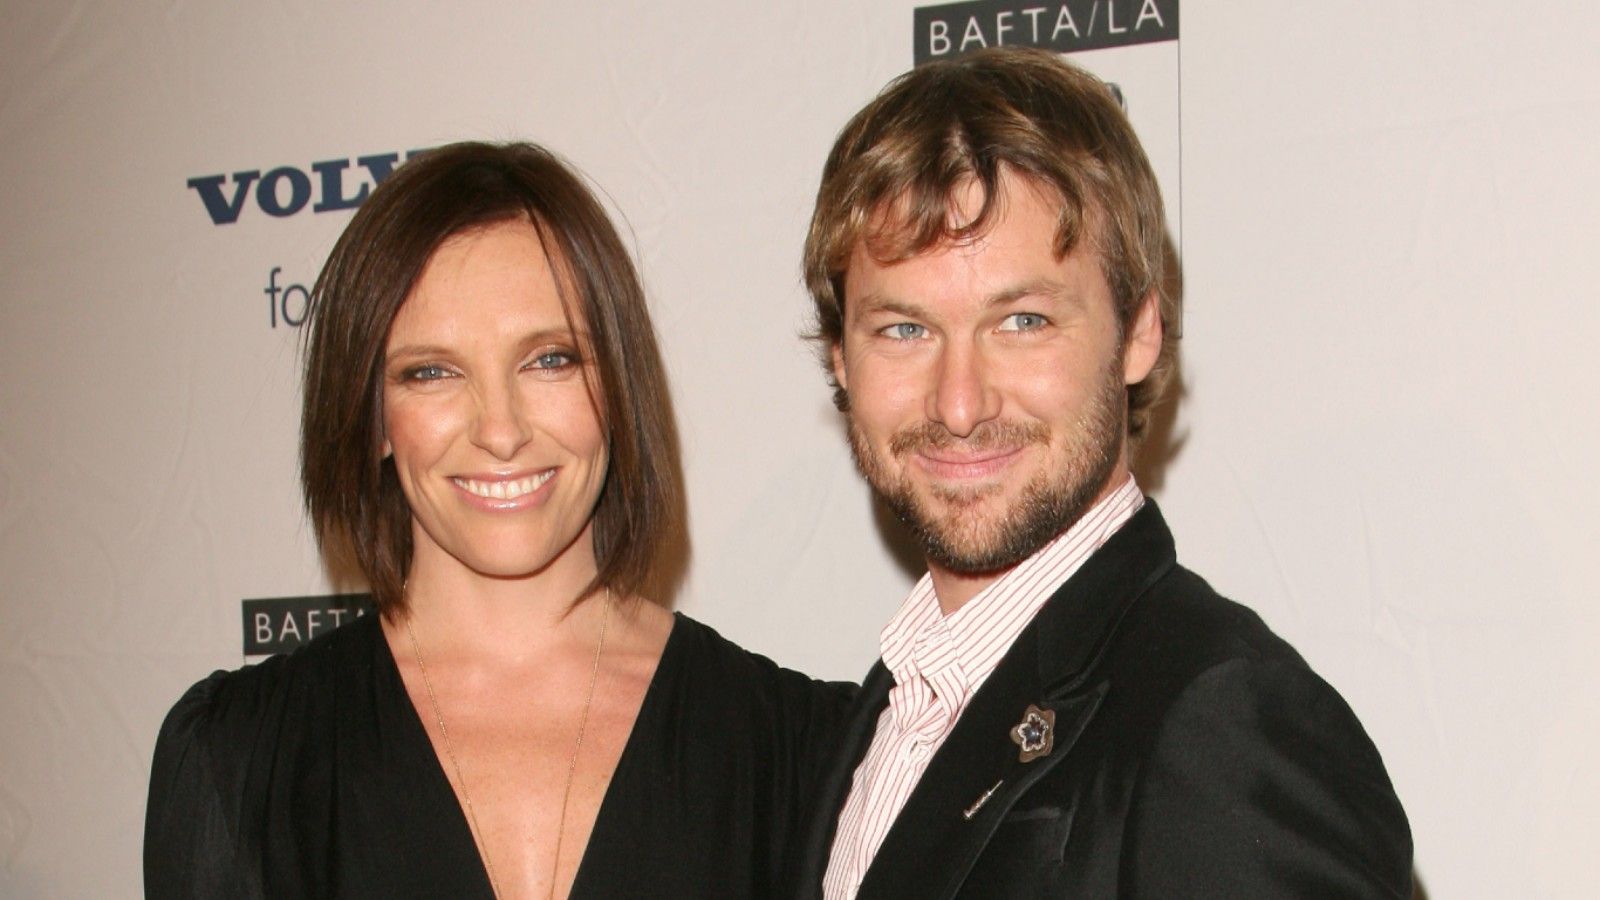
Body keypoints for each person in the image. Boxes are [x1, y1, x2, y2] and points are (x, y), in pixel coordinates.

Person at [144, 141, 850, 899]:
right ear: (372, 416)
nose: (501, 431)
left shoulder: (803, 754)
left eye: (549, 360)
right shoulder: (239, 758)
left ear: (617, 383)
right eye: (432, 372)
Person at [791, 48, 1412, 898]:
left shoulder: (1221, 721)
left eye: (1022, 320)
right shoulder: (880, 719)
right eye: (904, 329)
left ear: (1139, 332)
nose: (959, 404)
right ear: (841, 356)